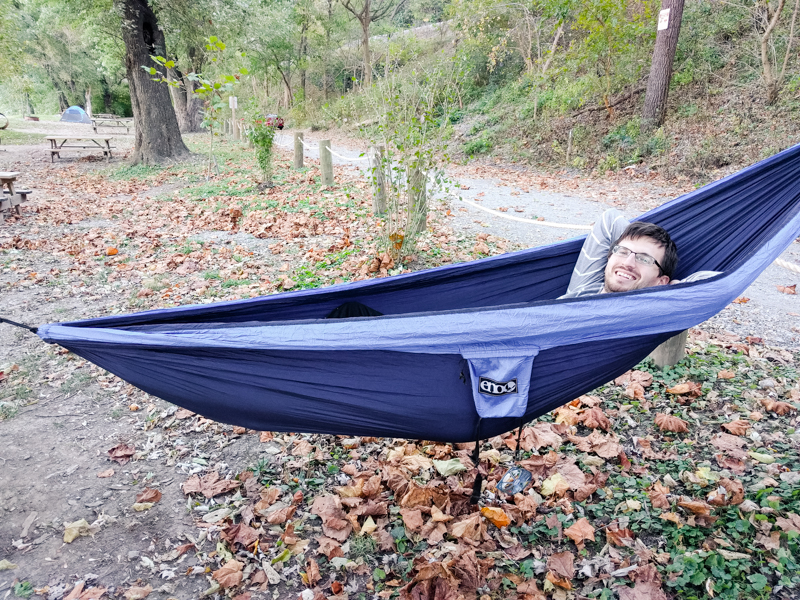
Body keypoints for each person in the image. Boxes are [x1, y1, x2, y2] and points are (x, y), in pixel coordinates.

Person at [560, 208, 714, 298]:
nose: (627, 263)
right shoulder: (585, 286)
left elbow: (719, 282)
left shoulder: (646, 310)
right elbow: (610, 218)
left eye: (644, 259)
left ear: (661, 281)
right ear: (610, 255)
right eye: (622, 251)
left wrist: (677, 289)